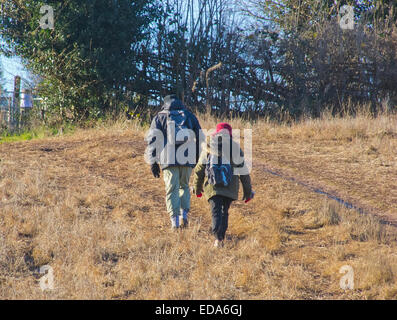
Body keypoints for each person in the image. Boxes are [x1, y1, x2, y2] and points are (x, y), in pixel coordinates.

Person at [192, 123, 254, 248]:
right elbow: (244, 173)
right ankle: (220, 238)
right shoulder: (235, 148)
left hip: (212, 186)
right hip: (230, 187)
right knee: (224, 211)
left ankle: (217, 238)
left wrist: (197, 188)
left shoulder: (209, 146)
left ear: (216, 132)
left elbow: (199, 169)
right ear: (230, 134)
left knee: (215, 211)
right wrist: (248, 192)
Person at [145, 94, 202, 229]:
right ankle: (184, 216)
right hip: (187, 158)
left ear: (165, 104)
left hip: (168, 159)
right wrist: (197, 157)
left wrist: (153, 161)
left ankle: (174, 222)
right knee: (184, 186)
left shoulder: (160, 117)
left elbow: (153, 139)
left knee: (172, 189)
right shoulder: (189, 115)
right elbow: (200, 136)